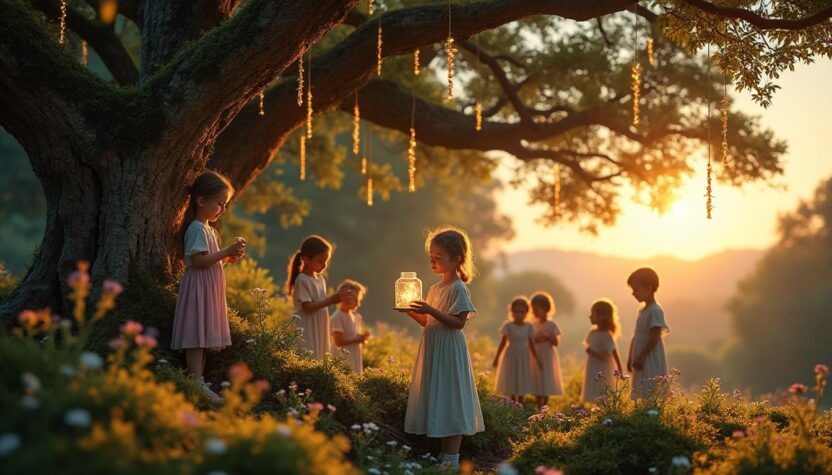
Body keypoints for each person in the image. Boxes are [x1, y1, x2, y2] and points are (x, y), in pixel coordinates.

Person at [401, 226, 485, 470]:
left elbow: (458, 323)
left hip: (449, 350)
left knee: (451, 398)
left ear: (456, 259)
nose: (432, 262)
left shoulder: (458, 288)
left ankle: (451, 459)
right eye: (431, 257)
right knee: (438, 395)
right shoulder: (435, 289)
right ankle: (439, 456)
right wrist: (411, 311)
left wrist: (430, 310)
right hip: (434, 346)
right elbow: (430, 322)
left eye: (438, 258)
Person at [171, 170, 246, 402]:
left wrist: (227, 258)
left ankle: (199, 380)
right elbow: (197, 261)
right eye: (220, 203)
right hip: (198, 289)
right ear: (201, 200)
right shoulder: (196, 228)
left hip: (208, 288)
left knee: (203, 334)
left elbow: (211, 259)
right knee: (196, 333)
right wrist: (225, 252)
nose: (222, 210)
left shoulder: (209, 229)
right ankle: (195, 381)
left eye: (225, 205)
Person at [285, 235, 352, 360]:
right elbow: (307, 308)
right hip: (308, 327)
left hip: (320, 325)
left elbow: (321, 302)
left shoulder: (320, 279)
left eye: (326, 261)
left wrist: (336, 299)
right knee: (308, 357)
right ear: (306, 259)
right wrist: (331, 300)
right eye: (320, 261)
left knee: (320, 357)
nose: (324, 265)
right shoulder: (302, 280)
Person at [626, 267, 671, 400]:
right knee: (642, 385)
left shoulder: (655, 310)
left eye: (636, 290)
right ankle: (644, 413)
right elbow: (636, 335)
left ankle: (652, 413)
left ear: (649, 288)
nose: (633, 293)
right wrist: (630, 357)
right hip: (641, 354)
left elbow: (654, 337)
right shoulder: (643, 310)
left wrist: (641, 357)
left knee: (651, 386)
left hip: (648, 356)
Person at [493, 296, 543, 404]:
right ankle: (512, 401)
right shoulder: (508, 325)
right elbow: (503, 342)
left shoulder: (529, 326)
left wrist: (537, 359)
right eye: (516, 311)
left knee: (521, 375)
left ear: (527, 312)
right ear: (511, 312)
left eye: (522, 311)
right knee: (512, 376)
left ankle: (520, 402)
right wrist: (496, 358)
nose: (519, 314)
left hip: (524, 355)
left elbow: (531, 344)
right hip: (511, 354)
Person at [582, 298, 623, 402]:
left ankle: (603, 411)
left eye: (593, 313)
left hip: (603, 369)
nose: (590, 316)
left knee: (602, 389)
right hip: (593, 367)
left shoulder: (607, 335)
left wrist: (620, 372)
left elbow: (611, 355)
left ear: (601, 317)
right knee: (594, 389)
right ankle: (596, 412)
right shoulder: (592, 333)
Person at [530, 291, 564, 408]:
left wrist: (548, 336)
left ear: (546, 309)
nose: (534, 312)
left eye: (537, 309)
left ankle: (545, 403)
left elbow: (556, 342)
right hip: (536, 354)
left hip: (548, 354)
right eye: (533, 309)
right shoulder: (533, 324)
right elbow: (530, 340)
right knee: (537, 376)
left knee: (546, 376)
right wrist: (537, 338)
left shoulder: (551, 324)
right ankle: (538, 402)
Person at [330, 279, 370, 373]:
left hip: (354, 357)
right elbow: (338, 341)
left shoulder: (357, 317)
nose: (356, 302)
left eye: (357, 299)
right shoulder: (338, 316)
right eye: (353, 299)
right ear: (342, 298)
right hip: (343, 360)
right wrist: (358, 340)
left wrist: (362, 338)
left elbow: (352, 335)